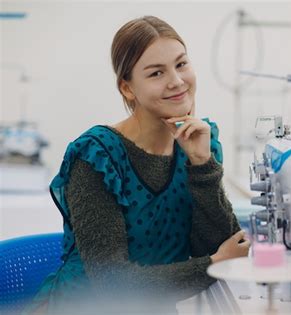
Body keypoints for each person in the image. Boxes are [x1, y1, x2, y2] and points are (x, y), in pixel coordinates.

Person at [25, 15, 250, 314]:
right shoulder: (98, 157)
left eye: (181, 64)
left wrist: (201, 163)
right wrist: (213, 264)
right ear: (127, 89)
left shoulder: (199, 141)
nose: (177, 81)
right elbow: (113, 285)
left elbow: (223, 244)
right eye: (156, 73)